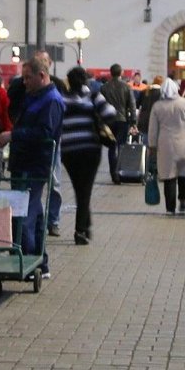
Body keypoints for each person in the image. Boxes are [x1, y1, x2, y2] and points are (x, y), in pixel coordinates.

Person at [0, 56, 63, 278]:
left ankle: (27, 259)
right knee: (33, 211)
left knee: (24, 213)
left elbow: (45, 132)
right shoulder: (34, 97)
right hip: (25, 162)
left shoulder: (50, 100)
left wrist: (13, 135)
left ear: (41, 76)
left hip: (33, 164)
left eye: (27, 77)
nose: (24, 82)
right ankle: (39, 261)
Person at [59, 66, 117, 245]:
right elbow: (111, 113)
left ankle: (86, 223)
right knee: (85, 190)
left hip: (68, 150)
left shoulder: (62, 99)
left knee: (80, 189)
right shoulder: (93, 96)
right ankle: (80, 231)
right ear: (85, 80)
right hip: (90, 149)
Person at [145, 78, 185, 216]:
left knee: (168, 175)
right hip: (183, 144)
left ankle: (170, 207)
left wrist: (152, 146)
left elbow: (152, 129)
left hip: (164, 145)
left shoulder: (157, 106)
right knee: (183, 174)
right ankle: (183, 202)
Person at [99, 63, 137, 185]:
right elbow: (132, 104)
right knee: (121, 146)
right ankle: (120, 172)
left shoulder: (104, 87)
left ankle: (113, 174)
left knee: (111, 147)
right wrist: (133, 121)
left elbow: (100, 105)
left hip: (108, 120)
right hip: (122, 120)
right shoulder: (126, 87)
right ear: (121, 73)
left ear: (110, 73)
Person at [136, 75, 165, 146]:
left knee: (146, 143)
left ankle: (146, 156)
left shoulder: (145, 91)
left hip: (144, 121)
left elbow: (137, 105)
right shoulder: (162, 93)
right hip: (157, 121)